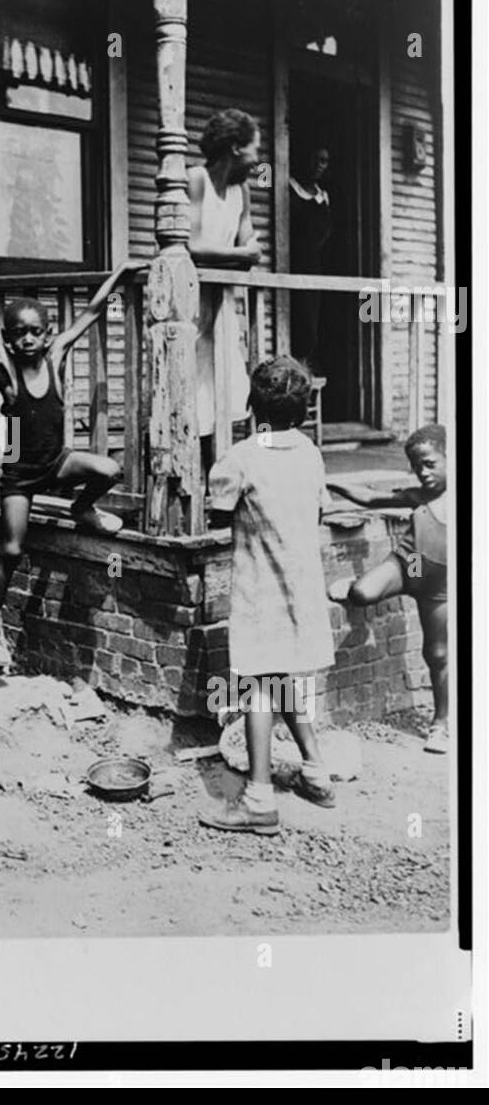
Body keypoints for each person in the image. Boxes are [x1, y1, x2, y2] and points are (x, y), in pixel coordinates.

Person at [0, 261, 138, 668]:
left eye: (36, 332)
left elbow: (91, 313)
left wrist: (119, 272)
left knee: (110, 470)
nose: (28, 340)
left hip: (57, 463)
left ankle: (82, 508)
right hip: (19, 475)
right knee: (13, 547)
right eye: (19, 334)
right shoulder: (6, 367)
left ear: (47, 333)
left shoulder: (57, 355)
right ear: (8, 339)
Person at [198, 356, 336, 836]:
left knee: (260, 684)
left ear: (251, 404)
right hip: (302, 588)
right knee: (284, 680)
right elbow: (318, 511)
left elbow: (218, 515)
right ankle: (316, 773)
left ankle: (258, 799)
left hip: (262, 588)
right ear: (302, 410)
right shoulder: (311, 452)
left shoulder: (240, 457)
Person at [327, 424, 448, 754]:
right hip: (412, 565)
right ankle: (353, 586)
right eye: (416, 466)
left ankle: (441, 723)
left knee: (437, 654)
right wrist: (327, 479)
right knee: (363, 593)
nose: (422, 473)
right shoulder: (420, 496)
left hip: (440, 588)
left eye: (429, 463)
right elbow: (368, 497)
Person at [187, 109, 263, 470]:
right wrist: (239, 254)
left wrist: (240, 254)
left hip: (223, 301)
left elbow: (251, 246)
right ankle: (194, 475)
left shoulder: (241, 190)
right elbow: (193, 246)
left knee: (225, 387)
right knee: (192, 386)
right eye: (254, 149)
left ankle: (219, 478)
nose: (258, 159)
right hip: (190, 302)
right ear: (235, 148)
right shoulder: (197, 180)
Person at [289, 141, 333, 367]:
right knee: (299, 319)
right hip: (294, 263)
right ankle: (295, 366)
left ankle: (305, 366)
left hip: (314, 264)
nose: (318, 165)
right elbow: (262, 179)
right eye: (314, 159)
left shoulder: (323, 196)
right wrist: (262, 170)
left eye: (324, 161)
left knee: (313, 322)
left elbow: (326, 232)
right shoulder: (290, 187)